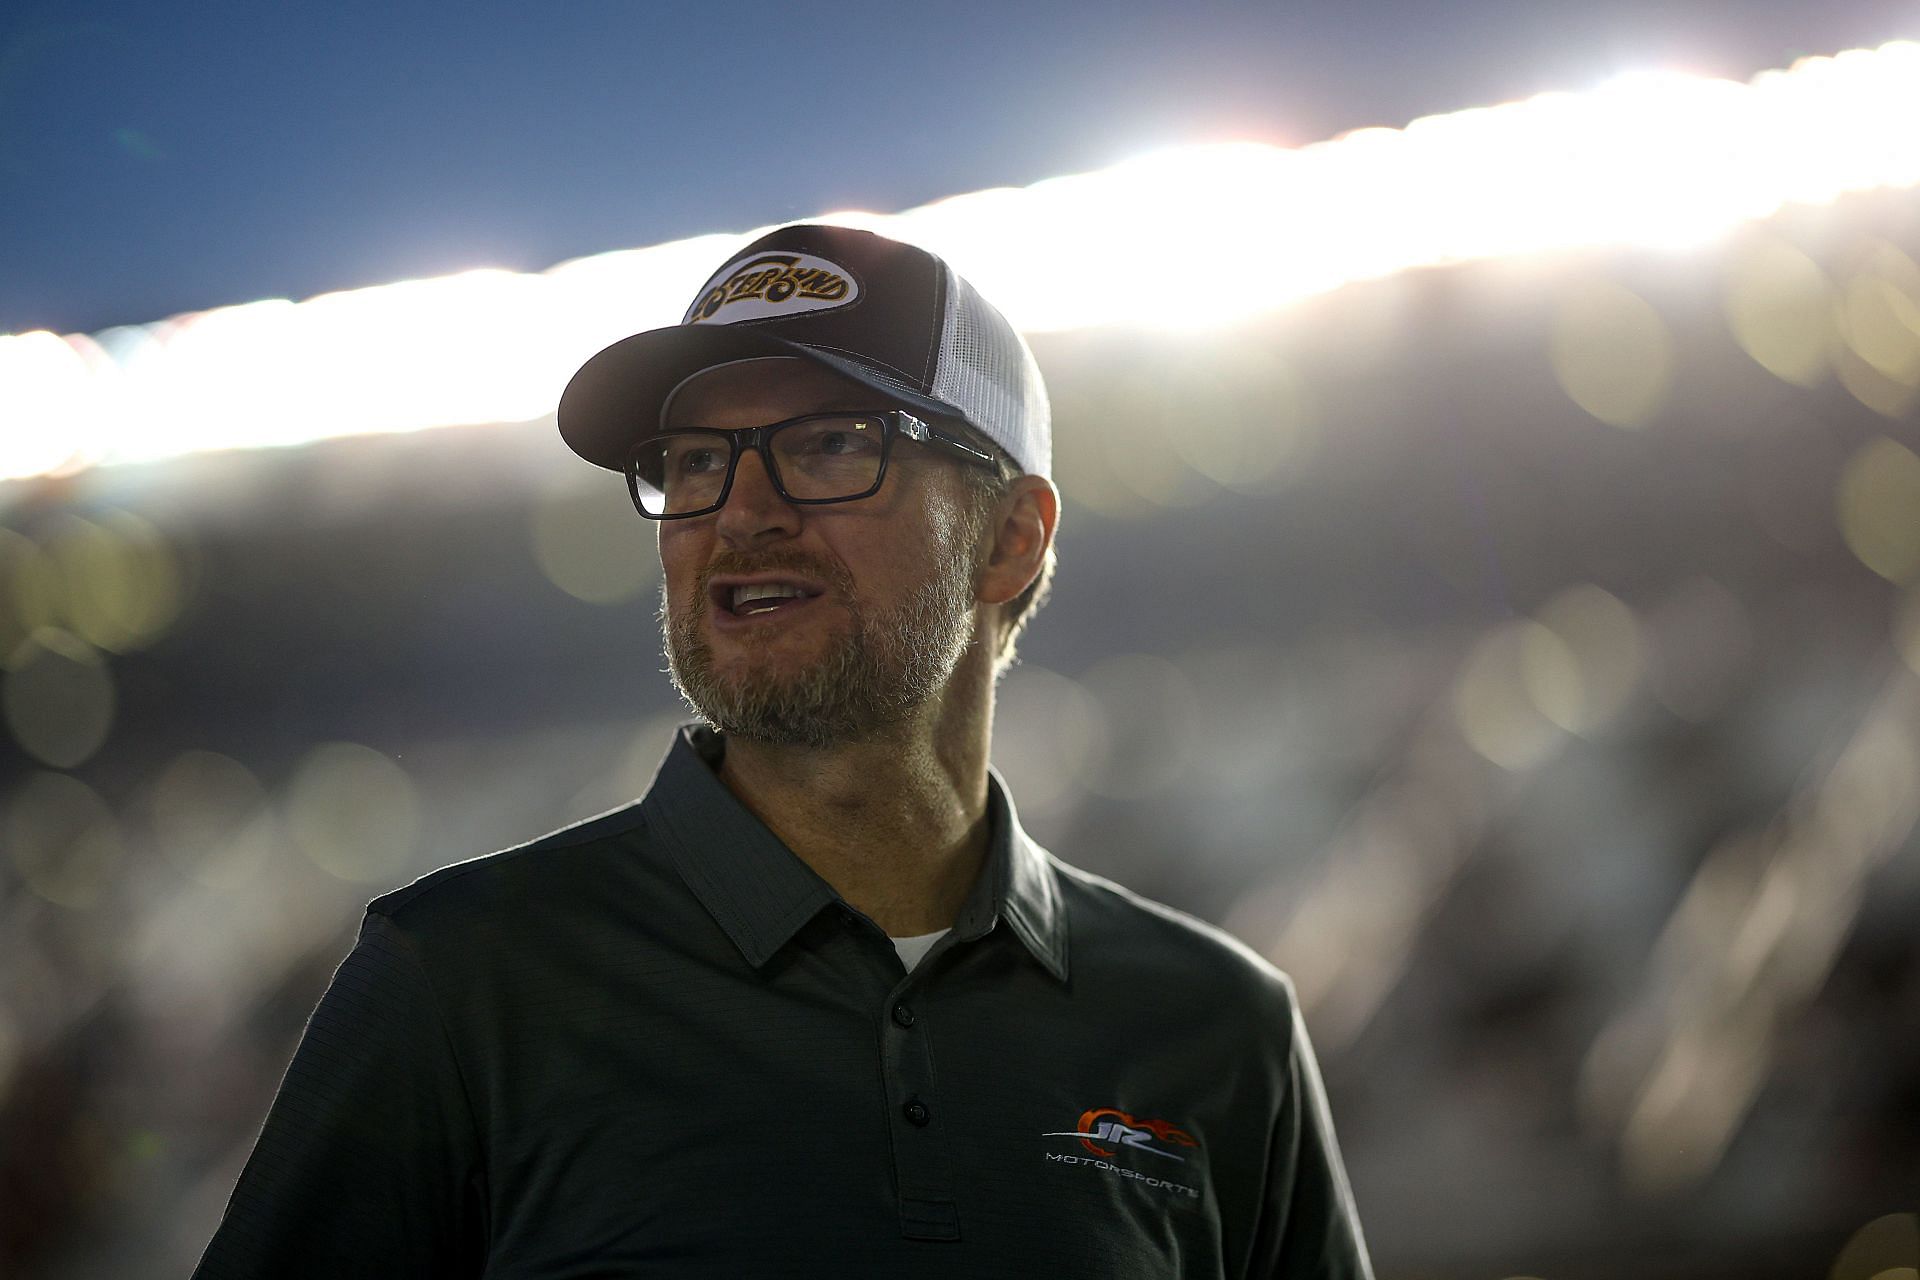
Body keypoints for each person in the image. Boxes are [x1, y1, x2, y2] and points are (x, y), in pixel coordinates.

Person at [191, 224, 1373, 1278]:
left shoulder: (1223, 1027)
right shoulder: (458, 981)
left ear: (1010, 539)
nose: (740, 511)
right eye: (695, 459)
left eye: (827, 441)